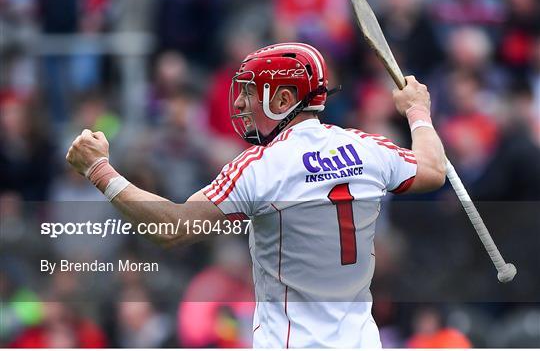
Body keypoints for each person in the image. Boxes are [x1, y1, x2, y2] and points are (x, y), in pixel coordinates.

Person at [66, 43, 446, 348]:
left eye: (250, 93)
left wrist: (100, 171)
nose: (239, 104)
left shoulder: (260, 166)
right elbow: (433, 170)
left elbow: (172, 227)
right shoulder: (368, 147)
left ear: (282, 101)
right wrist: (417, 112)